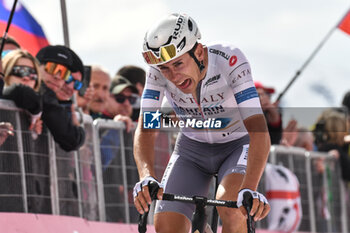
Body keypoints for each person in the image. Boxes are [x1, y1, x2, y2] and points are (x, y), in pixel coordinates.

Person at [133, 13, 270, 232]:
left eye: (178, 64)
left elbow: (258, 129)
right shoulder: (156, 72)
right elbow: (146, 127)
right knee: (166, 227)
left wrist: (250, 188)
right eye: (165, 69)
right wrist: (146, 176)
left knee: (233, 210)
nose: (173, 76)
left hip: (235, 145)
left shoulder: (229, 60)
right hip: (191, 149)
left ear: (198, 51)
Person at [36, 45, 85, 152]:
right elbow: (71, 140)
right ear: (37, 66)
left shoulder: (57, 102)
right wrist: (78, 129)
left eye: (64, 73)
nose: (58, 77)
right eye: (52, 68)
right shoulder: (42, 93)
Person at [1, 49, 43, 136]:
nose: (26, 78)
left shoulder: (41, 112)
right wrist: (36, 112)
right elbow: (20, 91)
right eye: (20, 71)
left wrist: (35, 135)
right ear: (5, 73)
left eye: (32, 74)